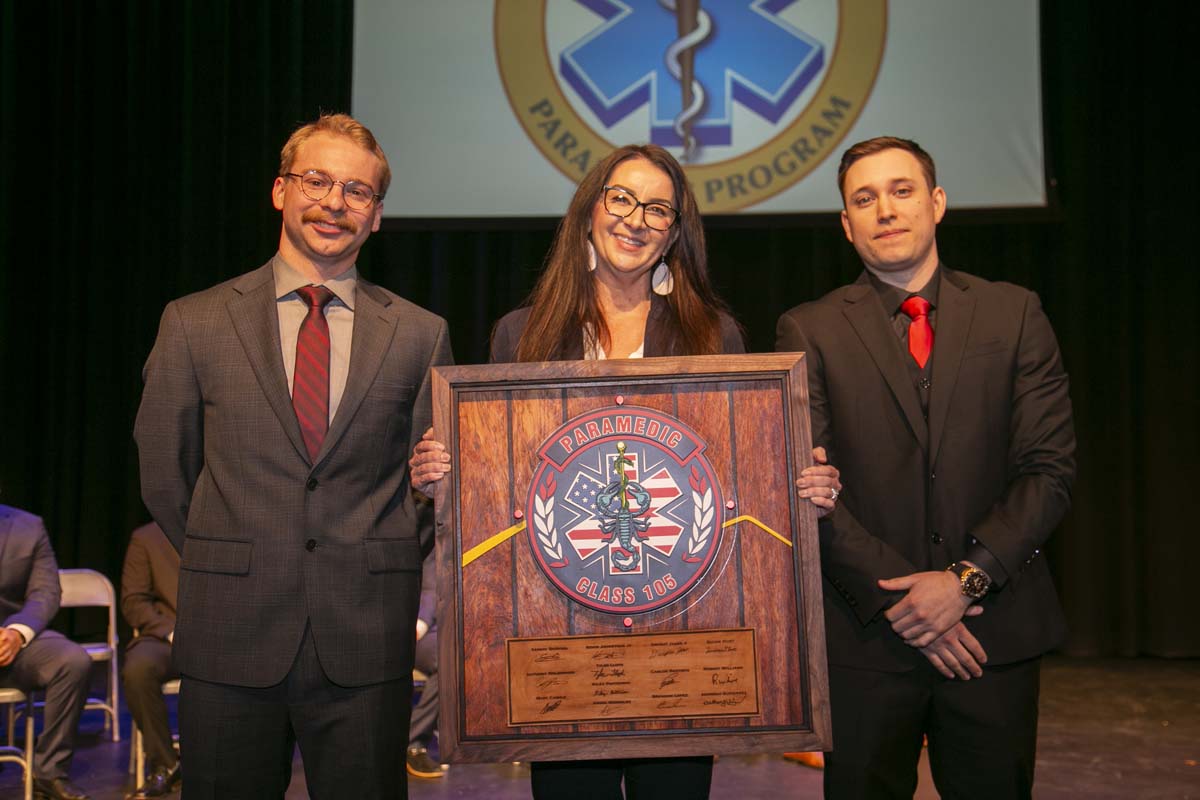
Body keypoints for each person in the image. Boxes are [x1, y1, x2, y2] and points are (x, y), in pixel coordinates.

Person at [411, 143, 841, 800]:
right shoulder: (520, 336)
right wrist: (444, 472)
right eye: (622, 199)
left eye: (658, 209)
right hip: (561, 635)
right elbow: (499, 484)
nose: (636, 219)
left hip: (682, 636)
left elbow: (738, 478)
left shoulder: (713, 336)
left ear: (675, 233)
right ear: (589, 211)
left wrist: (797, 482)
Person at [134, 113, 453, 799]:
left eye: (356, 191)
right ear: (281, 191)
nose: (334, 202)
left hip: (366, 637)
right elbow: (165, 469)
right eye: (317, 180)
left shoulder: (420, 335)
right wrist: (236, 552)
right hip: (230, 631)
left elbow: (427, 487)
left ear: (377, 218)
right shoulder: (193, 322)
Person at [776, 136, 1076, 798]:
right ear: (846, 225)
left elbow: (1048, 471)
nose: (885, 208)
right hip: (867, 643)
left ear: (937, 203)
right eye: (864, 198)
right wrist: (906, 603)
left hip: (990, 632)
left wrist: (963, 582)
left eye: (901, 190)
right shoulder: (808, 330)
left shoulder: (1014, 312)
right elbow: (808, 492)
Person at [0, 504, 92, 800]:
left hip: (11, 638)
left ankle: (49, 772)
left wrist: (17, 633)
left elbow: (46, 591)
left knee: (72, 660)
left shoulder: (28, 526)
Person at [120, 521, 181, 797]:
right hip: (167, 637)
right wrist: (169, 631)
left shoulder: (229, 528)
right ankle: (166, 763)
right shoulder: (147, 537)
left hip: (221, 637)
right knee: (139, 667)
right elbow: (134, 601)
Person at [405, 520, 444, 781]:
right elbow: (430, 587)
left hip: (452, 634)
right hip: (425, 633)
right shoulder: (437, 542)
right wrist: (421, 621)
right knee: (449, 665)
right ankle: (413, 743)